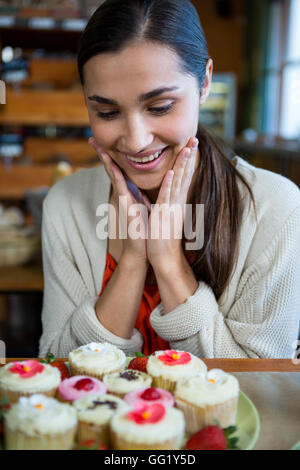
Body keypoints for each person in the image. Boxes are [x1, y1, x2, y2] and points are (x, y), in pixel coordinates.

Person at [39, 0, 300, 359]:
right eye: (107, 112)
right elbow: (58, 366)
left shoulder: (276, 209)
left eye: (160, 107)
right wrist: (132, 262)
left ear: (204, 81)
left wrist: (168, 262)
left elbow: (261, 384)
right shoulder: (65, 204)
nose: (136, 140)